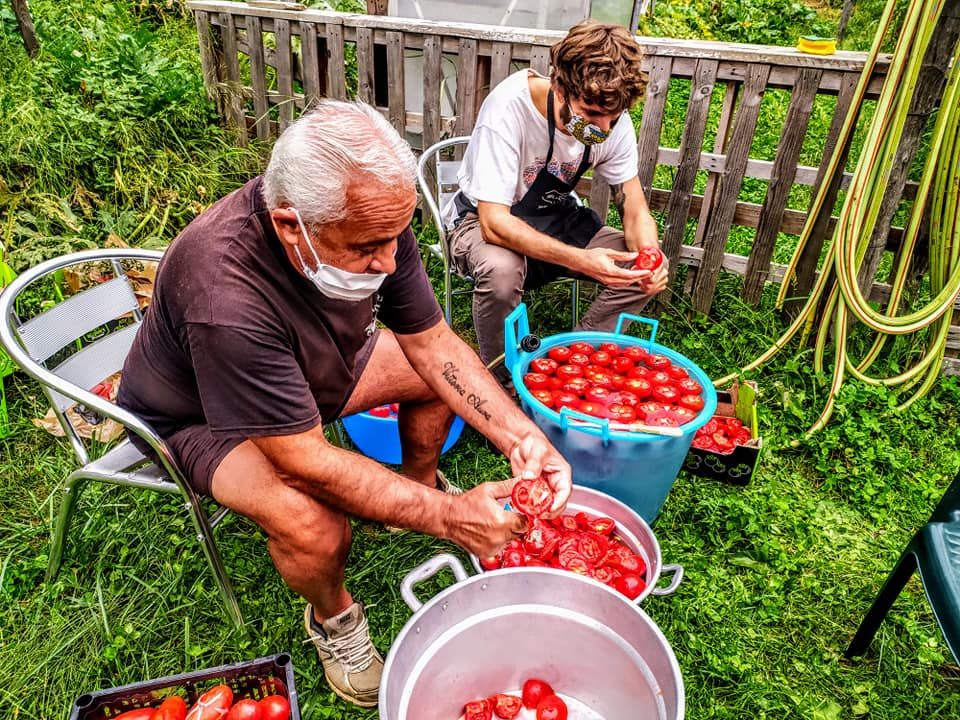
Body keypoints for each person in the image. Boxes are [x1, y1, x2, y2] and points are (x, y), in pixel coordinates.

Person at [117, 100, 571, 708]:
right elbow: (305, 459)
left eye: (395, 238)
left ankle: (414, 488)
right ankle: (335, 620)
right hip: (196, 417)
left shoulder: (372, 216)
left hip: (306, 368)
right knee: (312, 522)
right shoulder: (225, 294)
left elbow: (433, 344)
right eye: (366, 249)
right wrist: (445, 516)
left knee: (424, 379)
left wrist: (522, 437)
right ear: (288, 226)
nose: (388, 262)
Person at [442, 19, 669, 367]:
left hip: (553, 216)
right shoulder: (508, 109)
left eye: (614, 116)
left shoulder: (609, 120)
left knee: (637, 267)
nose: (604, 129)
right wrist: (582, 260)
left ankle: (575, 359)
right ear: (560, 89)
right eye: (592, 115)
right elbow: (493, 224)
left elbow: (634, 208)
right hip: (479, 220)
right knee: (501, 271)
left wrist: (648, 256)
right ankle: (502, 375)